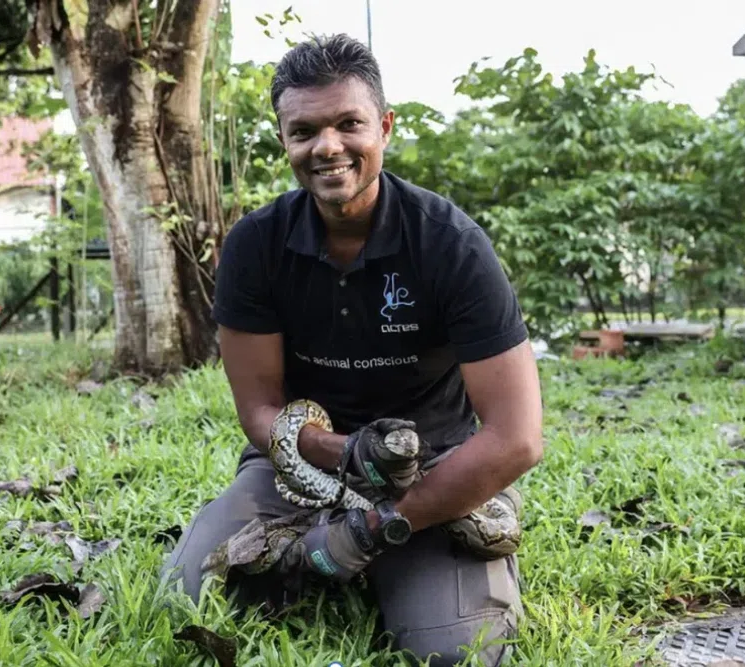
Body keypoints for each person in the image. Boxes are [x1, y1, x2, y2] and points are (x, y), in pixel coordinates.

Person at [160, 33, 544, 666]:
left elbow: (517, 437)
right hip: (300, 466)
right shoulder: (257, 246)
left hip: (433, 468)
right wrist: (339, 451)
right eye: (305, 130)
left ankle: (443, 549)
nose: (328, 147)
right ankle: (313, 547)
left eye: (349, 124)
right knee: (185, 598)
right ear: (284, 139)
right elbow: (259, 408)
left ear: (385, 128)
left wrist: (367, 530)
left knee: (456, 653)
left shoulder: (450, 244)